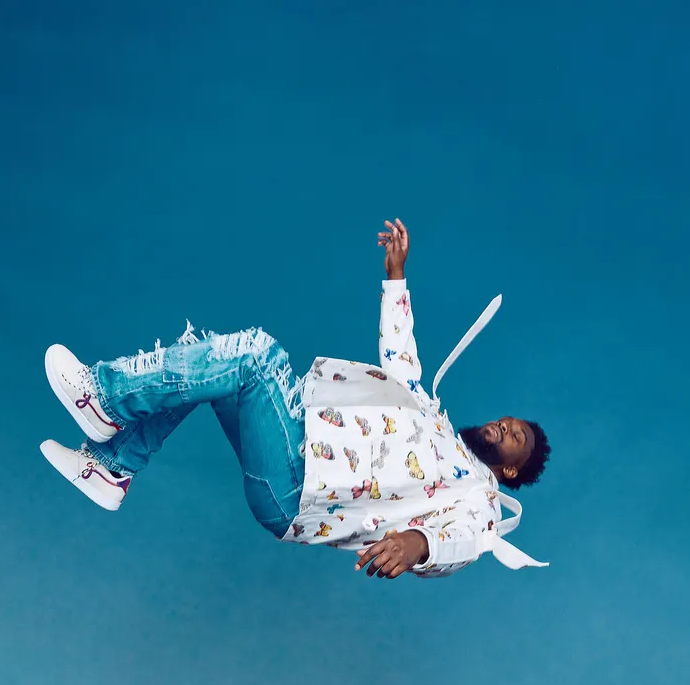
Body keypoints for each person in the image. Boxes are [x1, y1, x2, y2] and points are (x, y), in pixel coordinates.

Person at [40, 219, 551, 578]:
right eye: (509, 421)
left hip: (296, 489)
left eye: (516, 437)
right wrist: (396, 276)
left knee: (254, 354)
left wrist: (418, 544)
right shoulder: (433, 420)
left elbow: (467, 539)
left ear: (510, 469)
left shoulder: (478, 498)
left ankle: (103, 394)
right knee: (210, 357)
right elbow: (402, 361)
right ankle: (112, 467)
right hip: (295, 442)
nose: (505, 426)